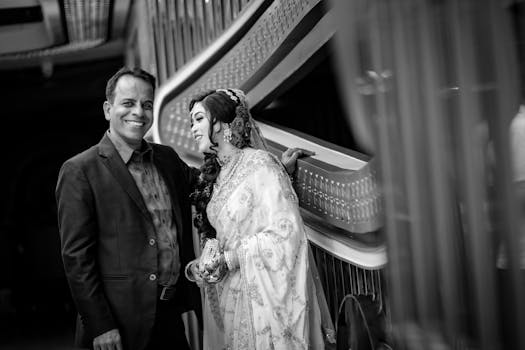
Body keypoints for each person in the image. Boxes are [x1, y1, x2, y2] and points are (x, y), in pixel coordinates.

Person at [56, 67, 311, 350]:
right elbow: (77, 258)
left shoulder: (165, 158)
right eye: (128, 103)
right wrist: (101, 326)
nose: (138, 112)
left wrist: (275, 172)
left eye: (147, 104)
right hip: (117, 325)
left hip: (170, 318)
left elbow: (220, 188)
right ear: (107, 109)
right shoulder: (80, 170)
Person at [185, 89, 334, 350]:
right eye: (191, 123)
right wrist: (205, 263)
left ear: (220, 123)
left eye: (198, 119)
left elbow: (286, 232)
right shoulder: (213, 179)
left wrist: (231, 258)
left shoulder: (260, 164)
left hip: (263, 299)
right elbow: (222, 236)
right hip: (231, 296)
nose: (193, 129)